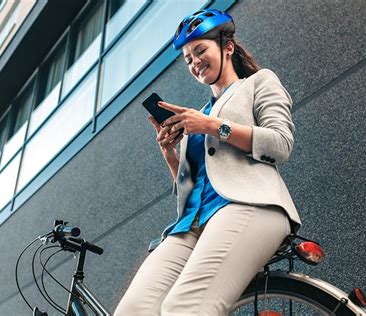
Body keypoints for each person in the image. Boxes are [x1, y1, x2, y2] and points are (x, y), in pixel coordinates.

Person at [114, 8, 301, 316]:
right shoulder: (198, 115)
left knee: (184, 308)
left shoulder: (257, 83)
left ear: (227, 46)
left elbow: (280, 144)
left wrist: (212, 126)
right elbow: (194, 185)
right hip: (193, 223)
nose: (195, 62)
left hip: (250, 207)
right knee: (133, 310)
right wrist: (170, 154)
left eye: (200, 51)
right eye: (188, 59)